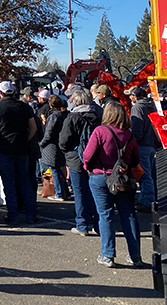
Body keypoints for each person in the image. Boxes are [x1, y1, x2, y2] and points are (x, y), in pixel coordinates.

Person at [83, 102, 145, 268]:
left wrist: (88, 169)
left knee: (105, 215)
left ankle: (108, 254)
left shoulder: (100, 131)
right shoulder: (129, 135)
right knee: (129, 215)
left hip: (100, 176)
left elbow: (87, 155)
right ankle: (135, 256)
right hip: (124, 179)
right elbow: (135, 160)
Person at [0, 80, 38, 224]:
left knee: (8, 183)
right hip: (22, 149)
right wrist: (26, 139)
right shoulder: (24, 107)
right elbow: (33, 127)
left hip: (4, 149)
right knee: (25, 181)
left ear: (1, 92)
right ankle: (31, 214)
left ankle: (13, 215)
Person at [59, 89, 100, 237]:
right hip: (96, 159)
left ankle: (82, 224)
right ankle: (98, 225)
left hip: (76, 158)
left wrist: (68, 151)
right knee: (97, 193)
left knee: (79, 192)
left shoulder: (72, 118)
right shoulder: (98, 116)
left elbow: (63, 141)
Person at [127, 85, 160, 210]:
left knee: (144, 175)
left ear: (135, 96)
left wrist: (133, 141)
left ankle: (147, 201)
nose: (130, 97)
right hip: (151, 143)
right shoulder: (151, 105)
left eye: (130, 95)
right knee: (150, 174)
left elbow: (137, 128)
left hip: (142, 145)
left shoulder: (137, 108)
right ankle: (151, 198)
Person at [39, 95, 69, 201]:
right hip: (61, 144)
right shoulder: (65, 115)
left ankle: (59, 193)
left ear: (51, 105)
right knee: (58, 168)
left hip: (52, 145)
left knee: (54, 169)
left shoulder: (53, 116)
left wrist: (42, 144)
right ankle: (66, 191)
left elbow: (49, 133)